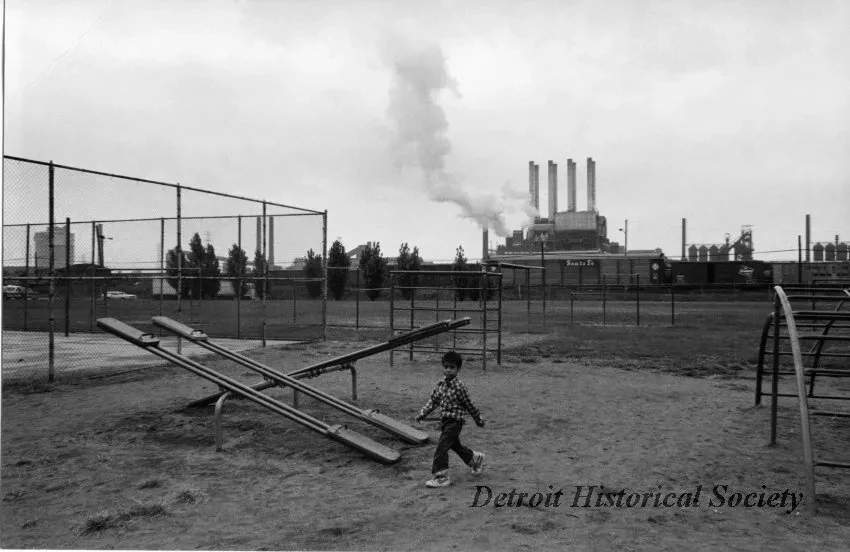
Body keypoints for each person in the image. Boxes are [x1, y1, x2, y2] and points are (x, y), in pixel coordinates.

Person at [415, 350, 486, 488]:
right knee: (455, 446)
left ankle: (441, 476)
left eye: (452, 367)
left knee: (442, 447)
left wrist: (478, 419)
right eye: (446, 367)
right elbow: (433, 401)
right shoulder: (440, 385)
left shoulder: (460, 387)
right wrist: (423, 413)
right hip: (445, 421)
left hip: (455, 422)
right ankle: (475, 459)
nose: (448, 370)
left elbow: (469, 405)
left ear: (458, 369)